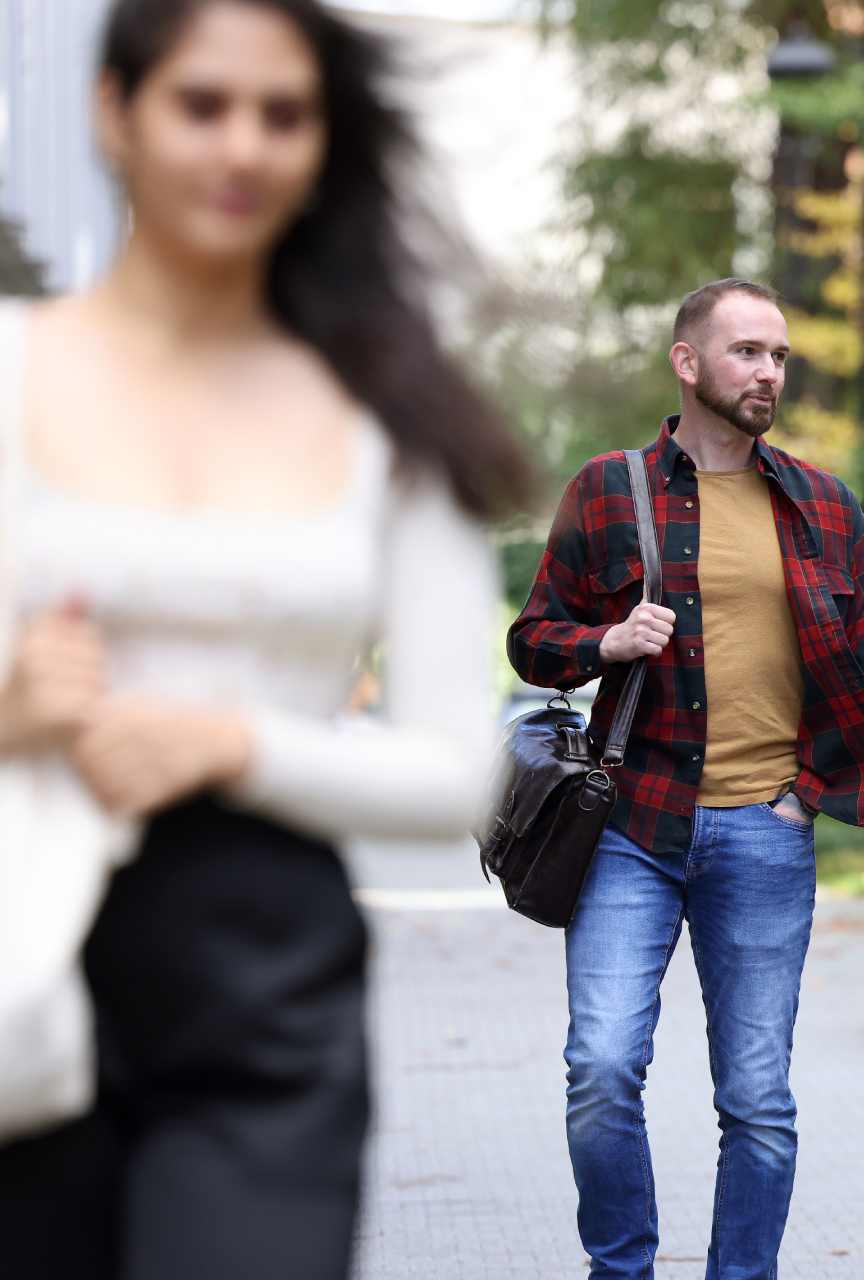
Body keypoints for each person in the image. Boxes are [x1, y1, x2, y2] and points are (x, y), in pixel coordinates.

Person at [0, 1, 534, 1278]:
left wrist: (227, 740)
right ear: (113, 111)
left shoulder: (386, 413)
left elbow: (458, 772)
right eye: (201, 104)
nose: (241, 146)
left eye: (283, 115)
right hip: (21, 942)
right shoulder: (13, 369)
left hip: (264, 983)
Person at [507, 277, 864, 1280]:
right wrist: (606, 637)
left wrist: (801, 789)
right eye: (746, 352)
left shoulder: (823, 502)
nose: (769, 370)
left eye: (778, 353)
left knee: (759, 1097)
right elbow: (532, 640)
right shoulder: (609, 489)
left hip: (766, 831)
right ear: (688, 362)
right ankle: (623, 1267)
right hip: (632, 828)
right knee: (600, 1068)